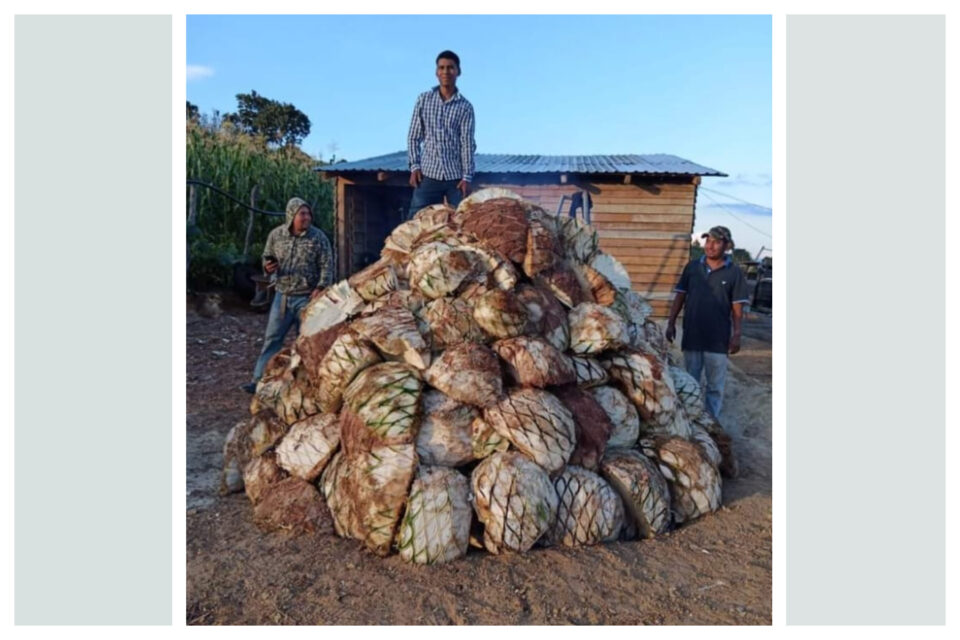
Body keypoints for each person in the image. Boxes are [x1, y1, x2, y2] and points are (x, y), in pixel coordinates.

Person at [241, 197, 333, 393]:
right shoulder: (276, 235)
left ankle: (309, 385)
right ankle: (259, 381)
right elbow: (266, 257)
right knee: (272, 339)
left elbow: (327, 265)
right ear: (291, 215)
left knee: (308, 342)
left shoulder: (319, 238)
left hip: (307, 299)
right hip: (281, 298)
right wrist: (268, 267)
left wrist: (321, 287)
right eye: (302, 214)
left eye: (308, 213)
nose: (307, 217)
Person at [665, 226, 750, 421]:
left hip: (718, 339)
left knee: (714, 387)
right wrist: (670, 323)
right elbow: (680, 295)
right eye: (708, 241)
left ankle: (711, 423)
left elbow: (737, 307)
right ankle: (690, 421)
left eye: (717, 242)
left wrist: (737, 334)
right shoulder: (692, 267)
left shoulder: (734, 273)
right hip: (693, 335)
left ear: (727, 246)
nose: (710, 246)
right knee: (690, 383)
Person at [406, 50, 476, 217]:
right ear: (436, 72)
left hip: (456, 178)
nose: (446, 72)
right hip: (428, 174)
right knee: (415, 220)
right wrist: (414, 166)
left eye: (450, 68)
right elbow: (414, 136)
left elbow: (467, 143)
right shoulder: (424, 99)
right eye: (442, 68)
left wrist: (467, 177)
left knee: (462, 221)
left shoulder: (465, 107)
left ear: (458, 71)